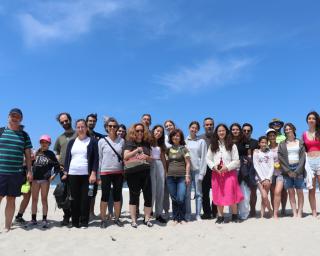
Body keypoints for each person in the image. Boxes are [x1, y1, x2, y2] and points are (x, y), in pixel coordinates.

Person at [0, 108, 32, 232]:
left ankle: (7, 226)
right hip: (1, 172)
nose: (15, 118)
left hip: (16, 173)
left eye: (17, 116)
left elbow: (28, 156)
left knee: (11, 199)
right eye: (13, 116)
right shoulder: (1, 131)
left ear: (21, 119)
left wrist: (29, 171)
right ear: (8, 117)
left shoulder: (24, 135)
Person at [63, 119, 98, 228]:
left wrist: (93, 173)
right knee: (74, 199)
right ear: (76, 129)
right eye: (78, 127)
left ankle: (84, 222)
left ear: (86, 128)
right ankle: (75, 222)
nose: (81, 129)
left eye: (83, 127)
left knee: (86, 199)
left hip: (86, 175)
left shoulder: (92, 141)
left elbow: (96, 158)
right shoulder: (72, 142)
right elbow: (67, 158)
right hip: (72, 174)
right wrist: (65, 171)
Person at [206, 124, 243, 224]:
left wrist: (227, 168)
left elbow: (236, 161)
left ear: (226, 132)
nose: (221, 133)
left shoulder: (232, 145)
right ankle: (220, 216)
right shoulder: (212, 145)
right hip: (216, 173)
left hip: (230, 173)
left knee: (232, 193)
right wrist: (214, 167)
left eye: (223, 131)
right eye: (219, 131)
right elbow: (208, 159)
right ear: (216, 133)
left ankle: (235, 216)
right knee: (218, 194)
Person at [123, 123, 153, 228]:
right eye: (137, 130)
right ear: (133, 131)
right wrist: (137, 150)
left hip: (145, 172)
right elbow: (125, 156)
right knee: (133, 197)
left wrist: (146, 157)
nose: (139, 132)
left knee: (148, 196)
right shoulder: (129, 143)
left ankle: (147, 219)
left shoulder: (147, 143)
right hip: (133, 173)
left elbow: (151, 159)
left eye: (141, 130)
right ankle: (133, 220)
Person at [97, 117, 124, 228]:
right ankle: (103, 220)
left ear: (117, 128)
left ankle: (117, 219)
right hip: (105, 172)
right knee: (105, 196)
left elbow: (123, 157)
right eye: (110, 126)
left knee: (117, 197)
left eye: (114, 126)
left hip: (118, 172)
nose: (112, 128)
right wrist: (98, 175)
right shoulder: (102, 141)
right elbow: (100, 159)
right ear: (106, 128)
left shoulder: (122, 141)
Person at [30, 135, 61, 228]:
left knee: (44, 199)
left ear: (49, 144)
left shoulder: (51, 154)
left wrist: (53, 176)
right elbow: (30, 164)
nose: (44, 144)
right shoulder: (36, 152)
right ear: (40, 143)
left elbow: (57, 167)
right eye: (42, 142)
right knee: (34, 199)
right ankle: (33, 219)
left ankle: (44, 219)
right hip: (35, 179)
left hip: (45, 180)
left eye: (46, 142)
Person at [278, 123, 305, 218]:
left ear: (293, 129)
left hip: (299, 168)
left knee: (299, 191)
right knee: (291, 192)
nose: (288, 130)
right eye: (286, 129)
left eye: (289, 129)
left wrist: (297, 171)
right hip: (287, 170)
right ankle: (294, 212)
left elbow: (303, 157)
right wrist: (288, 171)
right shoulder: (282, 144)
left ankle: (300, 212)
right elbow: (280, 158)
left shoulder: (300, 142)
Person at [54, 112, 75, 226]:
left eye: (66, 120)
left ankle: (76, 216)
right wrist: (59, 161)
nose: (64, 123)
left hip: (77, 169)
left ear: (70, 120)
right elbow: (56, 151)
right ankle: (66, 216)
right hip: (63, 169)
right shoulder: (60, 138)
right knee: (62, 193)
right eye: (62, 122)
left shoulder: (78, 134)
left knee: (76, 194)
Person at [166, 129, 191, 224]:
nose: (175, 137)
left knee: (181, 197)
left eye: (178, 136)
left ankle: (182, 217)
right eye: (174, 136)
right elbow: (167, 163)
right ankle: (176, 218)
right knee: (173, 198)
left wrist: (187, 175)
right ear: (171, 137)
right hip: (170, 177)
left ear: (180, 138)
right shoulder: (168, 150)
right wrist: (166, 174)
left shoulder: (184, 149)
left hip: (182, 176)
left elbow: (188, 163)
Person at [185, 121, 207, 221]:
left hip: (198, 170)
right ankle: (188, 213)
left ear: (198, 130)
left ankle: (198, 214)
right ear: (189, 128)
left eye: (196, 128)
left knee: (198, 193)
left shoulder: (201, 141)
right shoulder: (184, 141)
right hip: (188, 171)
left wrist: (202, 173)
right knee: (187, 193)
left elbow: (203, 158)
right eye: (192, 127)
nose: (194, 129)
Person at [230, 123, 252, 220]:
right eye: (233, 129)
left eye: (237, 129)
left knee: (244, 192)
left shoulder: (245, 141)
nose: (235, 131)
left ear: (240, 130)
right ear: (231, 131)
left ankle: (244, 214)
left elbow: (249, 154)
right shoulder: (228, 141)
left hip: (242, 169)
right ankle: (233, 213)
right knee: (231, 192)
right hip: (231, 168)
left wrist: (248, 161)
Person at [302, 111, 320, 217]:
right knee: (311, 188)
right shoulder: (304, 134)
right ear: (307, 121)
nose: (311, 120)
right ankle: (314, 212)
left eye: (313, 118)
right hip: (309, 162)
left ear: (316, 120)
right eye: (309, 118)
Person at [86, 113, 104, 218]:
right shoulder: (81, 134)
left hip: (94, 168)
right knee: (82, 192)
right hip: (82, 167)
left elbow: (111, 134)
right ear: (86, 121)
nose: (92, 122)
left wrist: (107, 121)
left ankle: (91, 212)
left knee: (92, 192)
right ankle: (82, 212)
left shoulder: (99, 136)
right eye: (90, 121)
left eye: (94, 121)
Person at [200, 117, 217, 219]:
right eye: (207, 124)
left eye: (211, 124)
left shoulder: (218, 137)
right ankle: (206, 212)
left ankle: (214, 211)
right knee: (204, 192)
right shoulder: (200, 138)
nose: (209, 126)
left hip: (216, 168)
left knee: (216, 191)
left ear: (213, 125)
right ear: (204, 126)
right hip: (204, 168)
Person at [266, 128, 285, 219]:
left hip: (280, 173)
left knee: (278, 192)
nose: (272, 137)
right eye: (270, 136)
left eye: (273, 135)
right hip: (270, 174)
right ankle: (274, 210)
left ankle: (276, 213)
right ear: (268, 137)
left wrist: (281, 164)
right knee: (272, 193)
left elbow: (285, 157)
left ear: (276, 136)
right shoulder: (266, 148)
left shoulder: (281, 146)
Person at [150, 125, 167, 223]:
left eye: (160, 132)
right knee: (152, 191)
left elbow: (163, 158)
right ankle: (149, 212)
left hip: (160, 164)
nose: (158, 133)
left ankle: (159, 214)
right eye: (157, 131)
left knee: (160, 191)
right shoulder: (148, 142)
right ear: (153, 131)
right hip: (151, 165)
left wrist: (165, 171)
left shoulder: (161, 144)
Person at [253, 136, 273, 218]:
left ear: (267, 143)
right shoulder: (256, 153)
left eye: (265, 142)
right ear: (259, 143)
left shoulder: (270, 152)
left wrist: (268, 178)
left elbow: (272, 166)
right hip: (259, 178)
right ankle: (271, 211)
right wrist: (263, 179)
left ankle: (262, 214)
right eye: (262, 142)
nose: (264, 144)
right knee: (264, 196)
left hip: (268, 178)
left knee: (264, 197)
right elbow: (256, 166)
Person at [242, 123, 259, 217]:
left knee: (253, 191)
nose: (246, 132)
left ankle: (252, 210)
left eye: (248, 131)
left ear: (251, 132)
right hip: (241, 170)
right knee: (240, 191)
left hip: (253, 169)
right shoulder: (238, 142)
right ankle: (241, 211)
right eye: (244, 130)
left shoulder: (256, 142)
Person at [14, 149, 35, 224]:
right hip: (19, 174)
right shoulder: (17, 150)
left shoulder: (30, 150)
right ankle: (18, 217)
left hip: (27, 176)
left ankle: (19, 216)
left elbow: (32, 159)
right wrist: (27, 159)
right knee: (11, 197)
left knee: (27, 196)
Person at [163, 119, 176, 217]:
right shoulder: (165, 138)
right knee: (166, 191)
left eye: (170, 125)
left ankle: (176, 211)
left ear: (174, 125)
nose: (168, 127)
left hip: (178, 167)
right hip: (167, 166)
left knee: (176, 191)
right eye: (166, 126)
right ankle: (166, 211)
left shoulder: (179, 136)